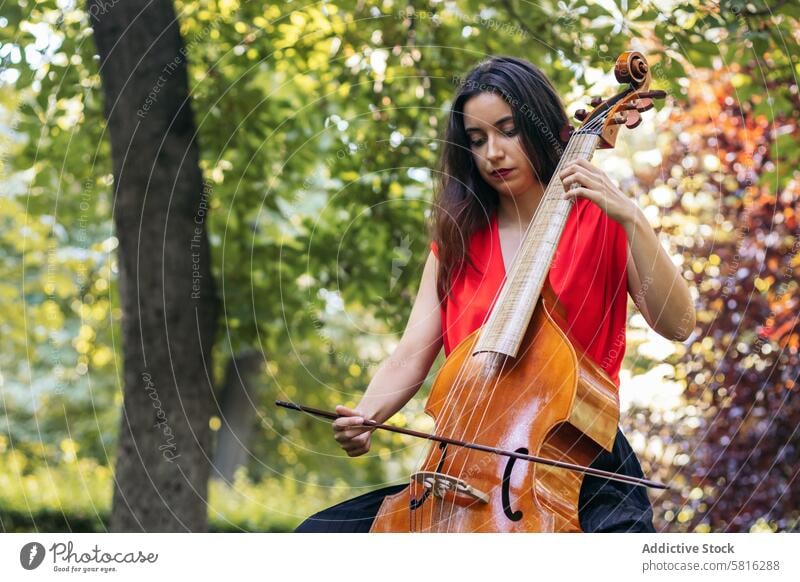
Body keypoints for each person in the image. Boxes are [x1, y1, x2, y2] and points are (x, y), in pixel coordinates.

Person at [295, 56, 695, 533]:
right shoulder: (457, 240)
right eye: (478, 139)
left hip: (582, 458)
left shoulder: (602, 218)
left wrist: (633, 219)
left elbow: (678, 324)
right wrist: (366, 414)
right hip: (463, 464)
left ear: (542, 128)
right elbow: (409, 355)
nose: (493, 153)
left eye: (508, 131)